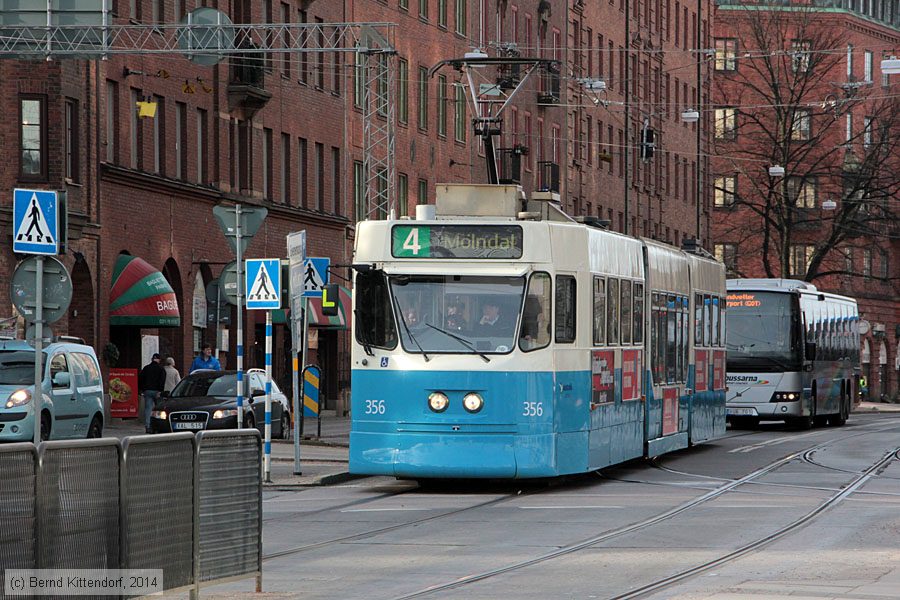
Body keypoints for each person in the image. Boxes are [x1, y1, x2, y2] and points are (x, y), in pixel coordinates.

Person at [138, 353, 166, 433]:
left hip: (147, 391)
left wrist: (142, 390)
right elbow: (162, 381)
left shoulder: (146, 368)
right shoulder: (161, 369)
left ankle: (148, 426)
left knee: (148, 409)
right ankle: (158, 425)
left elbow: (140, 379)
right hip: (157, 391)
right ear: (159, 360)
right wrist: (160, 391)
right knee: (159, 409)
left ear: (152, 359)